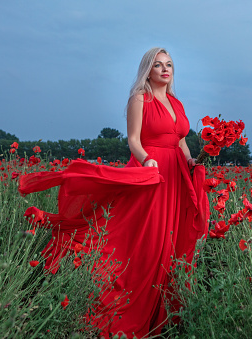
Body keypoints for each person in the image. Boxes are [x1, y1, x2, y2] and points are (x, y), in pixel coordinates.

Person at [18, 47, 209, 338]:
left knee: (170, 241)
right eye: (158, 65)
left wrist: (192, 161)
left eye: (169, 65)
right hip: (151, 172)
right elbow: (133, 140)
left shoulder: (176, 103)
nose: (164, 70)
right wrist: (147, 159)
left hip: (176, 177)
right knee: (145, 238)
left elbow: (180, 141)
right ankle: (125, 304)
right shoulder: (139, 99)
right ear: (148, 69)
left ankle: (164, 313)